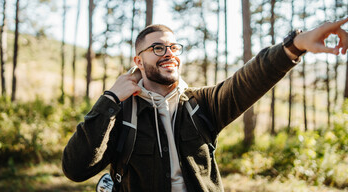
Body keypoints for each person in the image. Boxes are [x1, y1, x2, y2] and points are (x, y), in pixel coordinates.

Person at [62, 18, 348, 192]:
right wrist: (110, 100)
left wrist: (295, 44)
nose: (169, 54)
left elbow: (250, 78)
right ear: (138, 61)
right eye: (158, 48)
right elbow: (75, 169)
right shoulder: (121, 112)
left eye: (174, 47)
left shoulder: (200, 104)